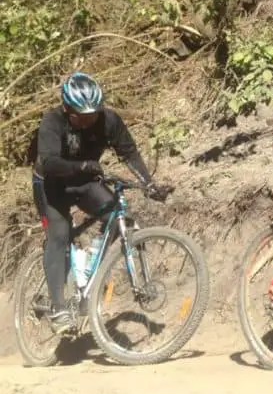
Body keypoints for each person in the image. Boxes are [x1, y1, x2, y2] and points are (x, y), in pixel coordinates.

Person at [29, 72, 170, 335]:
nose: (88, 120)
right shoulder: (53, 120)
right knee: (59, 236)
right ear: (67, 108)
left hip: (85, 181)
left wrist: (148, 184)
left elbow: (129, 153)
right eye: (81, 116)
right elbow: (48, 163)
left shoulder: (108, 120)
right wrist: (81, 165)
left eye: (93, 114)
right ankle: (58, 308)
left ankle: (89, 275)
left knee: (119, 218)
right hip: (51, 184)